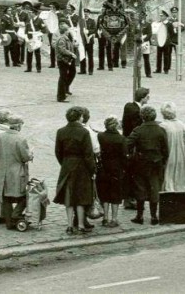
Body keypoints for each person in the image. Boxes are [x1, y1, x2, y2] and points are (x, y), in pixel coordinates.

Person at [54, 107, 96, 235]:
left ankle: (69, 225)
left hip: (67, 165)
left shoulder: (61, 131)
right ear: (79, 118)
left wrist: (65, 163)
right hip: (81, 166)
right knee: (81, 196)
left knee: (69, 196)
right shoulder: (84, 132)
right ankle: (81, 225)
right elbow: (88, 154)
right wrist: (92, 169)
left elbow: (58, 152)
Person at [126, 106, 169, 225]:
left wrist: (131, 156)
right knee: (154, 187)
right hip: (156, 162)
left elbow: (128, 144)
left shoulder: (138, 130)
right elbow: (166, 149)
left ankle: (139, 216)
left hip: (140, 162)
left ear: (142, 116)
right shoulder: (161, 130)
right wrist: (163, 161)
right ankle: (154, 216)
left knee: (140, 187)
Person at [0, 114, 33, 230]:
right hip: (16, 173)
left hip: (3, 172)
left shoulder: (0, 137)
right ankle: (15, 215)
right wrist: (30, 154)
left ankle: (9, 222)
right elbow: (25, 157)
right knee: (24, 196)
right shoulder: (20, 139)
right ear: (18, 126)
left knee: (6, 197)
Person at [96, 116, 127, 228]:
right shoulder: (121, 139)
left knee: (104, 193)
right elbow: (124, 156)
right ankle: (114, 218)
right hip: (116, 169)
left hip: (103, 168)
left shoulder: (100, 136)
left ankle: (105, 218)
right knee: (115, 194)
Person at [122, 87, 149, 209]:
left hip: (127, 141)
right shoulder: (137, 112)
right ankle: (130, 198)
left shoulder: (129, 106)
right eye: (147, 96)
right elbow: (136, 128)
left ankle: (129, 198)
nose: (148, 98)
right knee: (133, 172)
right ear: (143, 98)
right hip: (133, 145)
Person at [159, 102, 185, 192]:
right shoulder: (181, 125)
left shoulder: (162, 126)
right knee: (180, 175)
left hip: (168, 153)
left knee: (168, 174)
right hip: (180, 154)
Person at [55, 21, 78, 102]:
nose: (69, 31)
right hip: (63, 60)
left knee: (70, 73)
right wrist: (71, 54)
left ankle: (64, 91)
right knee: (63, 77)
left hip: (66, 60)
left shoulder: (65, 38)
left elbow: (67, 47)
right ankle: (61, 96)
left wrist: (74, 46)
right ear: (65, 31)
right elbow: (62, 49)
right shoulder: (62, 38)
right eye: (67, 30)